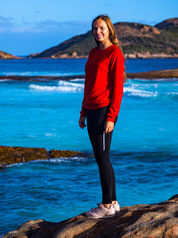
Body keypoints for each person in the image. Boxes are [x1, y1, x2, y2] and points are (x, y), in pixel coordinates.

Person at [79, 14, 125, 218]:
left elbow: (117, 89)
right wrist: (82, 113)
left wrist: (111, 117)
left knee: (103, 158)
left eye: (102, 28)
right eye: (95, 28)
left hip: (104, 111)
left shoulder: (114, 53)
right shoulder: (92, 53)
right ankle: (113, 202)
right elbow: (88, 84)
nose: (98, 32)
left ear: (109, 30)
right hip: (90, 110)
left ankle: (106, 205)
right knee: (100, 158)